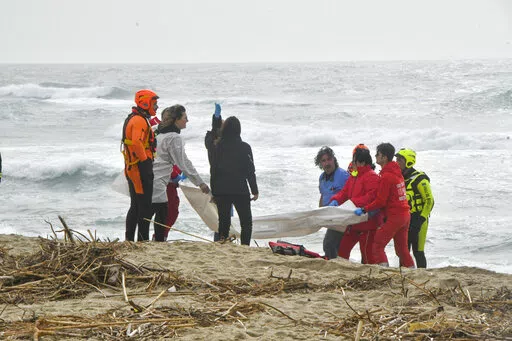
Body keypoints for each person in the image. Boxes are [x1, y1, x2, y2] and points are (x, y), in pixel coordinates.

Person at [152, 105, 210, 241]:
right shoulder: (174, 137)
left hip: (152, 177)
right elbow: (183, 162)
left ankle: (147, 240)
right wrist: (200, 183)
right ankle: (159, 240)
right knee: (168, 212)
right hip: (163, 180)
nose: (187, 120)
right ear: (176, 119)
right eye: (185, 118)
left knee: (150, 212)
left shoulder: (158, 132)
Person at [354, 143, 415, 268]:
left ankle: (384, 271)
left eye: (378, 154)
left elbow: (380, 202)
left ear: (384, 157)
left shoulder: (386, 176)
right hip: (405, 215)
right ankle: (413, 272)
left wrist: (364, 209)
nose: (376, 156)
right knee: (402, 249)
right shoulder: (397, 173)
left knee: (377, 244)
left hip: (395, 216)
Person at [206, 116, 258, 245]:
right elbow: (250, 171)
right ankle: (245, 246)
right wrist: (254, 190)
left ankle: (223, 243)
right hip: (240, 189)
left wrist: (214, 192)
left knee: (224, 221)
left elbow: (214, 170)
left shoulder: (217, 147)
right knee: (246, 222)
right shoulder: (245, 147)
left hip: (222, 190)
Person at [328, 145, 382, 264]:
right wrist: (336, 200)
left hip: (368, 224)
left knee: (367, 257)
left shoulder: (372, 176)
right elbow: (344, 192)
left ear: (361, 162)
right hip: (353, 222)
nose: (352, 163)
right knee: (342, 252)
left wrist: (353, 203)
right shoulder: (354, 176)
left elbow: (372, 197)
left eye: (354, 161)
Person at [122, 89, 159, 242]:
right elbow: (137, 142)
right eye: (154, 104)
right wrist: (145, 163)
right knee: (144, 207)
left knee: (136, 205)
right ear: (145, 103)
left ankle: (130, 239)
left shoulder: (136, 118)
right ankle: (142, 240)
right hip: (139, 169)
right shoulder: (138, 120)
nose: (156, 107)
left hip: (133, 168)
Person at [395, 148, 434, 268]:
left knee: (418, 252)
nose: (397, 162)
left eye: (400, 160)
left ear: (408, 162)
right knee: (403, 251)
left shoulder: (420, 179)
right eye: (396, 159)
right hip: (405, 220)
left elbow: (430, 201)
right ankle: (403, 275)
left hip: (419, 220)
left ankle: (422, 275)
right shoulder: (399, 178)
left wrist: (420, 220)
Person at [314, 146, 349, 259]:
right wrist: (319, 214)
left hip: (342, 217)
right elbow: (323, 195)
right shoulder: (322, 178)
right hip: (330, 217)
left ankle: (332, 263)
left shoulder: (343, 175)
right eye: (323, 161)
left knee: (329, 243)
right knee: (332, 245)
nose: (327, 163)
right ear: (320, 164)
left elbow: (352, 194)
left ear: (334, 159)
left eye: (329, 159)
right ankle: (335, 262)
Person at [205, 103, 223, 242]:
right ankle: (220, 239)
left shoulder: (212, 144)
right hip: (222, 183)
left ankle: (220, 238)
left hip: (217, 183)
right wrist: (216, 119)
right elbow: (215, 130)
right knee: (224, 215)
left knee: (222, 214)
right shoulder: (217, 145)